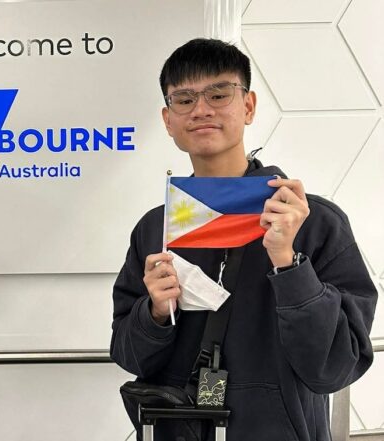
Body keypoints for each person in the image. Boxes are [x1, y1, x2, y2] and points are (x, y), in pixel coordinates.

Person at [110, 39, 377, 440]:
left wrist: (288, 264)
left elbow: (335, 368)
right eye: (184, 99)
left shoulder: (314, 222)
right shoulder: (155, 229)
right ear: (168, 119)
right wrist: (155, 314)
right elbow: (129, 355)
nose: (201, 109)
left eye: (218, 94)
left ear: (248, 106)